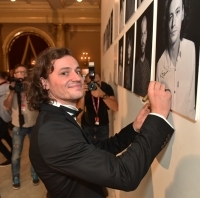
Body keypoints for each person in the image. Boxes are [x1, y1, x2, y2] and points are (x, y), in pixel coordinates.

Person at [27, 47, 174, 198]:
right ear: (44, 83)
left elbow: (102, 147)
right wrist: (157, 117)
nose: (77, 78)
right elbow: (124, 174)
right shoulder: (53, 130)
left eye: (77, 71)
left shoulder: (59, 117)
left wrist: (135, 128)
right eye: (64, 73)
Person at [156, 0, 195, 119]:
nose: (173, 24)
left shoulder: (191, 49)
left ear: (183, 13)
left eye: (177, 12)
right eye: (170, 16)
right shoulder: (161, 64)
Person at [4, 64, 39, 189]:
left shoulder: (32, 86)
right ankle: (16, 176)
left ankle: (34, 173)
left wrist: (31, 90)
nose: (22, 74)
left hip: (33, 124)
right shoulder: (10, 88)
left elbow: (39, 103)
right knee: (16, 154)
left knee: (35, 152)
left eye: (24, 72)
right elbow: (7, 106)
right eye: (19, 72)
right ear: (14, 74)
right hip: (18, 126)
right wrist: (13, 91)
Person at [76, 73, 118, 140]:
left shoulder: (106, 87)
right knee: (88, 147)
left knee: (103, 147)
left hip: (103, 124)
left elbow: (115, 108)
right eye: (91, 83)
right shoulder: (84, 90)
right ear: (86, 83)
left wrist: (102, 95)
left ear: (101, 80)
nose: (95, 85)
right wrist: (82, 95)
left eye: (97, 82)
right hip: (87, 124)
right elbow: (78, 115)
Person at [134, 15, 150, 97]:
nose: (142, 40)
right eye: (141, 34)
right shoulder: (137, 64)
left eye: (145, 34)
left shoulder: (149, 64)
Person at [0, 71, 12, 167]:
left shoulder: (3, 87)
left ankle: (9, 157)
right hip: (4, 117)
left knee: (5, 136)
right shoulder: (7, 85)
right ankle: (15, 153)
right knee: (5, 136)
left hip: (3, 117)